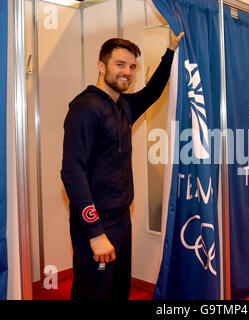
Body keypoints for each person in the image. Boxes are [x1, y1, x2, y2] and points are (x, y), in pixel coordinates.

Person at [61, 29, 184, 300]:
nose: (127, 72)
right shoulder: (85, 108)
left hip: (121, 219)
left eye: (131, 66)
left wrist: (171, 50)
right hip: (96, 223)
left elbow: (153, 90)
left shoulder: (124, 106)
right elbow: (72, 173)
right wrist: (94, 233)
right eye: (120, 64)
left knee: (117, 290)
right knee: (94, 291)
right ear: (101, 66)